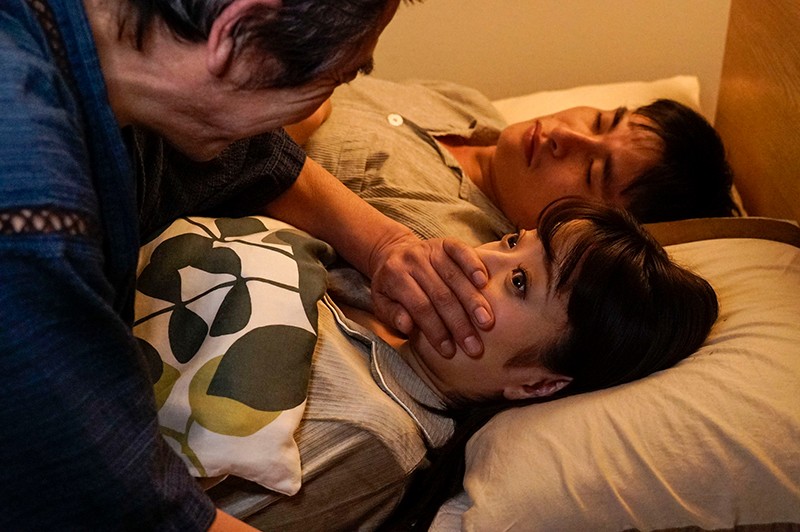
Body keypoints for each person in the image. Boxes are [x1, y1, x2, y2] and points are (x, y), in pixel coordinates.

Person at [0, 1, 497, 529]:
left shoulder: (103, 76)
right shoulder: (31, 209)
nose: (314, 111)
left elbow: (256, 161)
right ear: (237, 32)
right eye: (338, 77)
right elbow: (123, 502)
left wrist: (385, 245)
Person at [199, 198, 719, 529]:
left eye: (520, 283)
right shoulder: (370, 279)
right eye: (513, 242)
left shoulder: (373, 434)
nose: (480, 258)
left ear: (537, 386)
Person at [301, 75, 739, 248]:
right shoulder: (469, 103)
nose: (566, 135)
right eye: (601, 121)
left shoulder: (451, 246)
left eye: (593, 172)